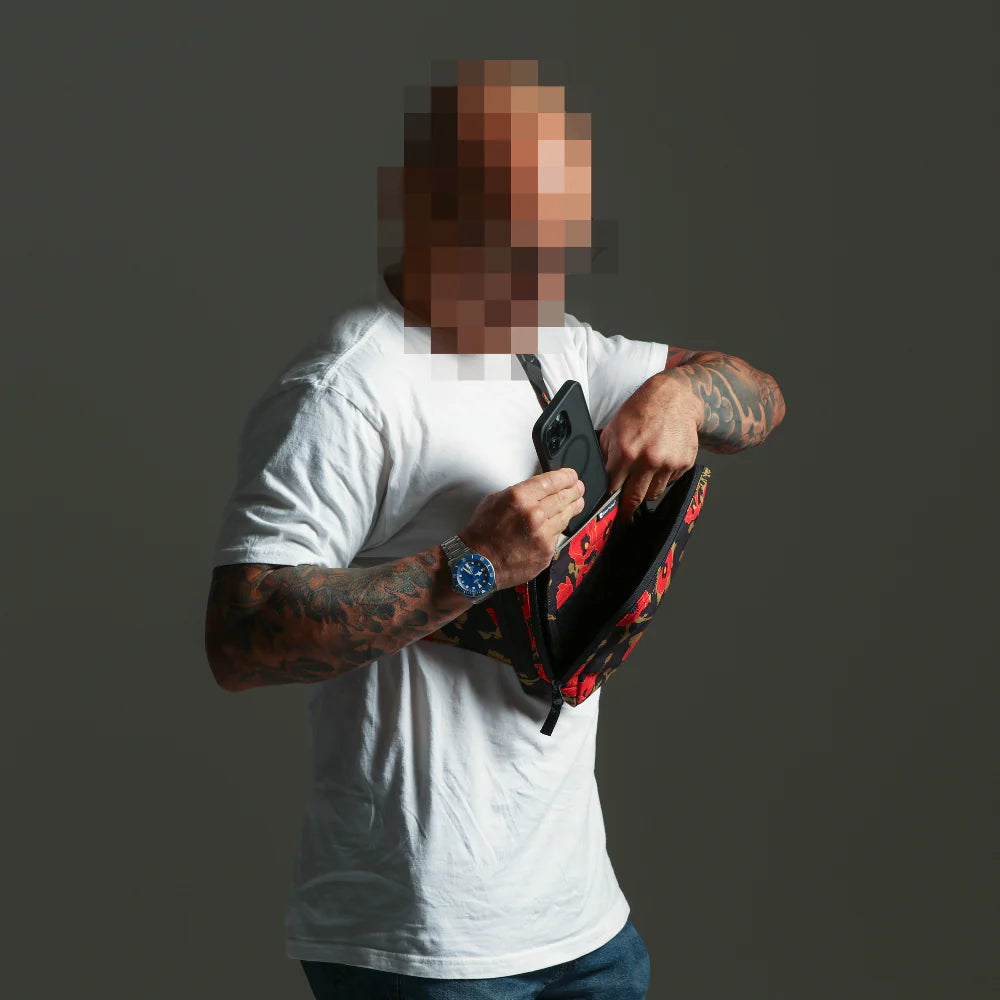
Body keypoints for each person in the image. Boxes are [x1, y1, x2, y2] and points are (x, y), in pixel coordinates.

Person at [204, 58, 785, 1000]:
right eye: (523, 239)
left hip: (583, 924)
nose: (550, 273)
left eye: (563, 240)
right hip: (423, 944)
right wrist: (470, 565)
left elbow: (760, 396)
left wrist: (681, 393)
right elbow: (239, 637)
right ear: (430, 211)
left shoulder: (551, 340)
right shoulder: (348, 391)